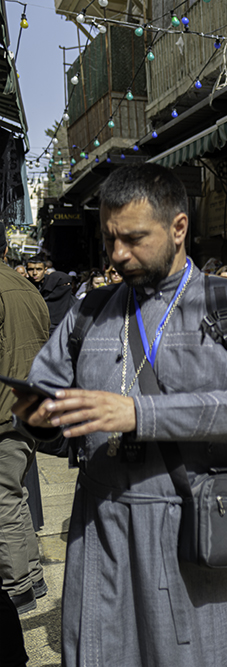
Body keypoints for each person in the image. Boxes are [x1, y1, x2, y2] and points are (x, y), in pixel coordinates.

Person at [11, 163, 227, 665]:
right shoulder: (88, 313)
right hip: (104, 528)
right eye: (110, 239)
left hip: (198, 526)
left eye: (134, 238)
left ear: (178, 228)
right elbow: (48, 399)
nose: (118, 255)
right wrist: (38, 417)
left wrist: (140, 413)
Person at [0, 231, 50, 615]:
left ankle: (17, 588)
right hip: (28, 407)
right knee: (17, 495)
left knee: (5, 501)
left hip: (4, 413)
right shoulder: (29, 287)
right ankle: (32, 576)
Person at [25, 254, 76, 333]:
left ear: (45, 270)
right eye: (31, 269)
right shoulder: (23, 287)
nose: (34, 273)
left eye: (39, 269)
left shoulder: (70, 300)